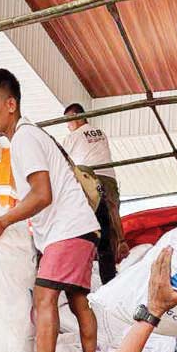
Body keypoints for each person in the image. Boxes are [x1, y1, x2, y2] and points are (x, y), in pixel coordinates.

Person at [0, 69, 102, 352]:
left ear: (11, 103)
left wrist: (2, 221)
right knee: (78, 301)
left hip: (67, 230)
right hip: (80, 229)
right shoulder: (33, 136)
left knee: (44, 298)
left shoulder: (24, 139)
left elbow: (41, 194)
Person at [63, 102, 127, 283]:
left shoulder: (73, 137)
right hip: (109, 178)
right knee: (111, 219)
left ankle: (85, 265)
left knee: (89, 223)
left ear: (77, 117)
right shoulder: (100, 133)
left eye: (69, 121)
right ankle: (114, 261)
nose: (68, 126)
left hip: (90, 180)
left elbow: (62, 160)